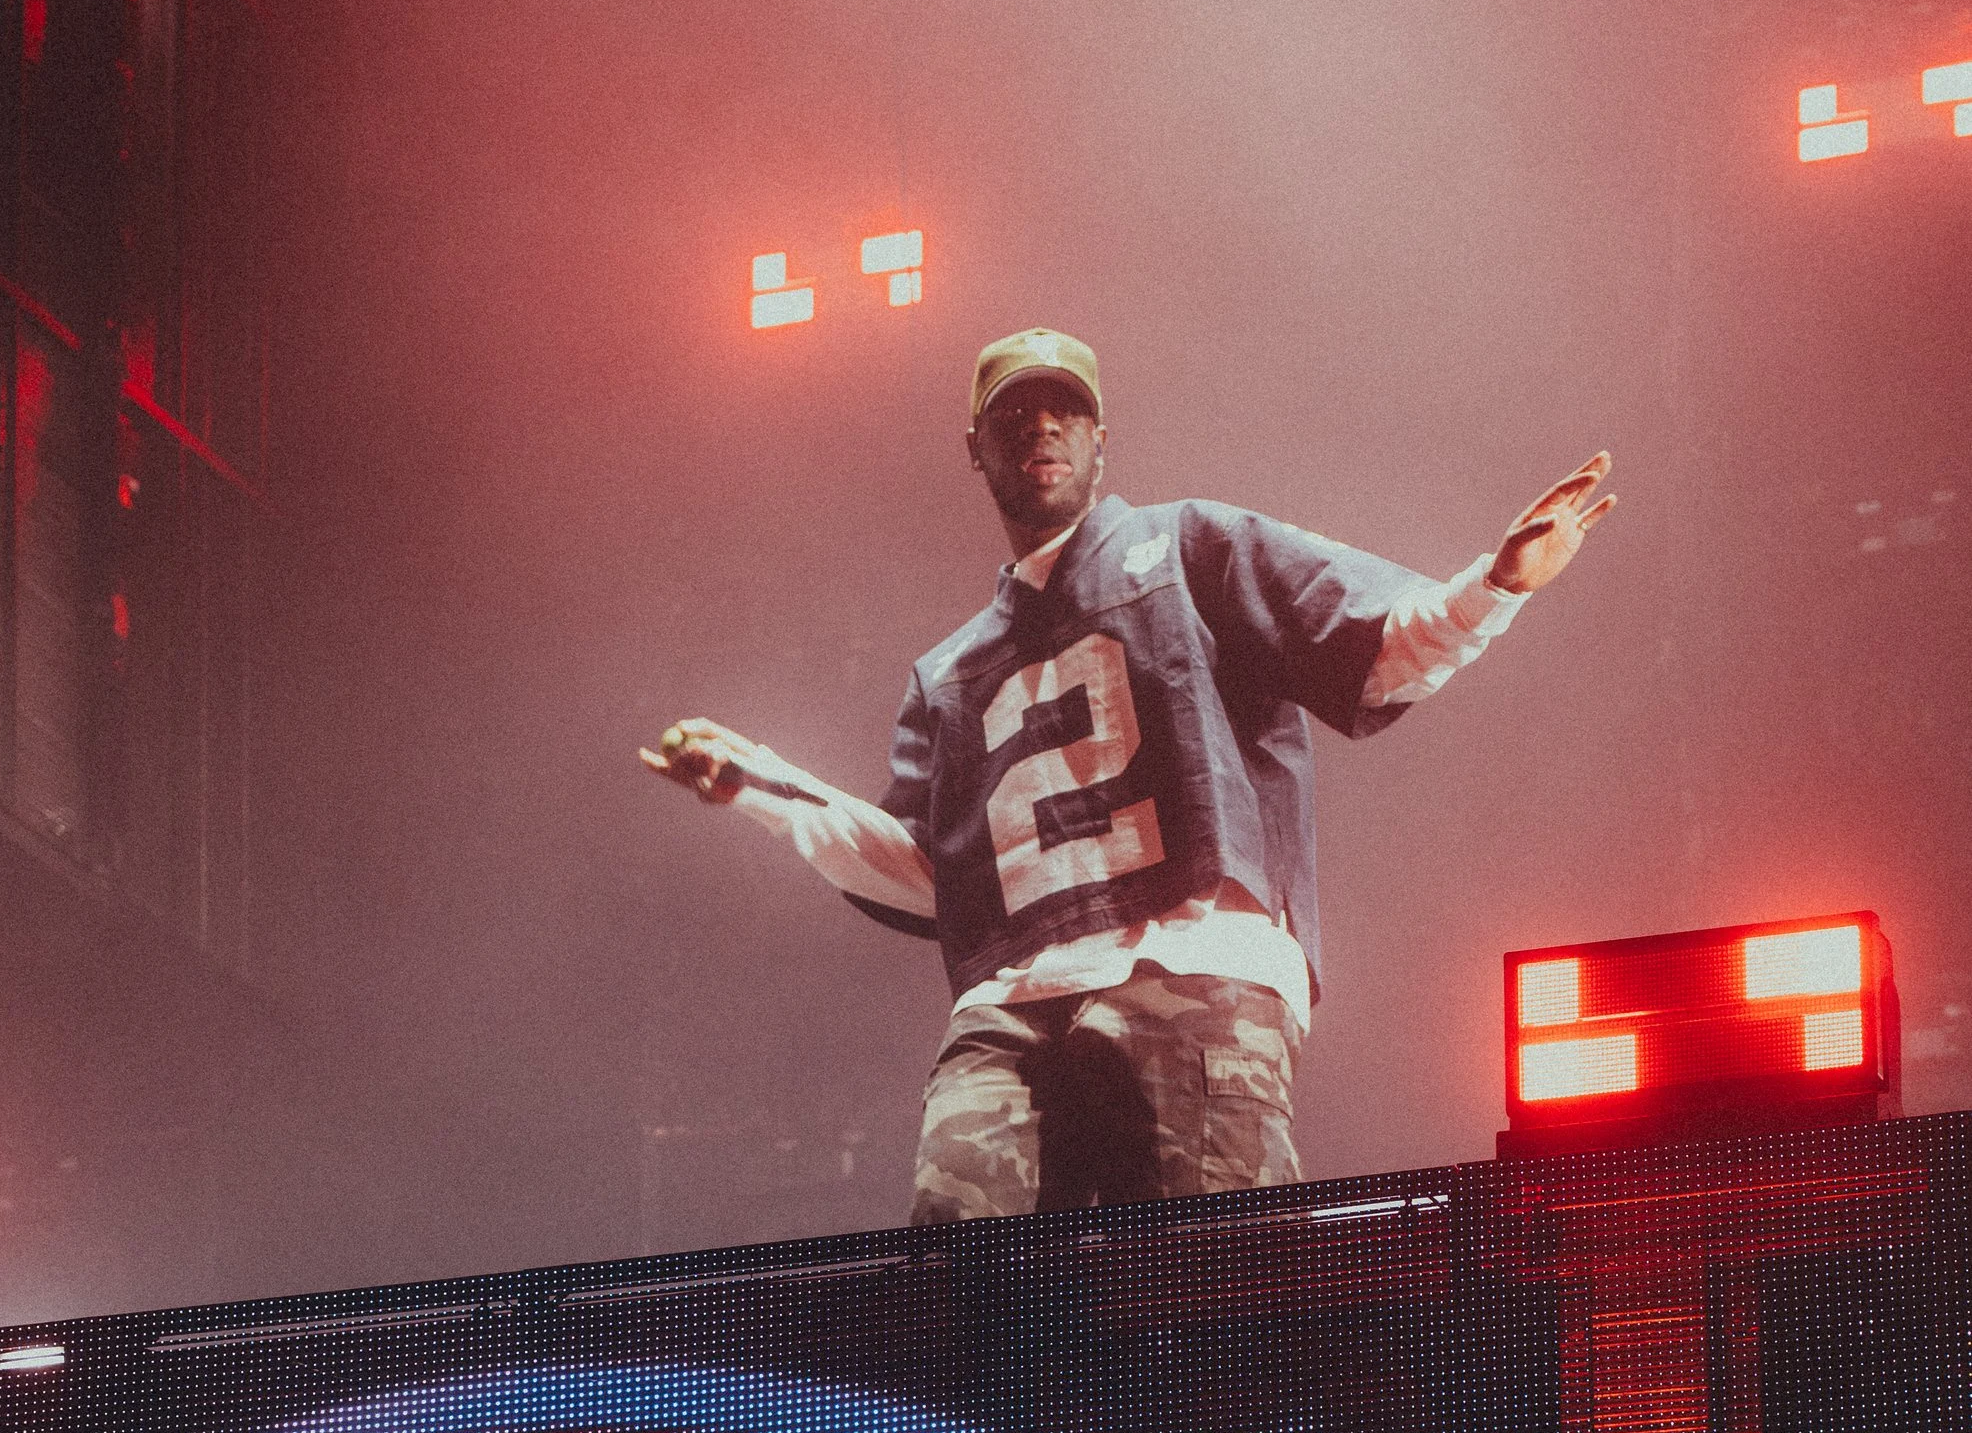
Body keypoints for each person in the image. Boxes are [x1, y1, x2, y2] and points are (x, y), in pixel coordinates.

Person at [640, 326, 1614, 1216]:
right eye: (1015, 415)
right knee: (967, 1288)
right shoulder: (949, 673)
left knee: (1216, 1289)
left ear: (1100, 439)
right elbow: (936, 874)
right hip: (1013, 1006)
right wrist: (757, 785)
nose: (1041, 429)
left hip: (1193, 964)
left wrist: (1493, 586)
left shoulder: (1192, 546)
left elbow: (1368, 645)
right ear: (975, 449)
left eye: (1063, 410)